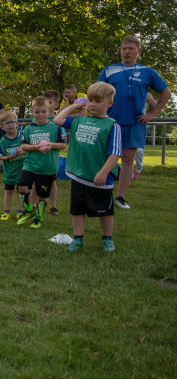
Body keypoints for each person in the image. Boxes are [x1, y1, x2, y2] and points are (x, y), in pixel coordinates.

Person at [98, 35, 171, 209]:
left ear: (138, 50)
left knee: (128, 159)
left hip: (134, 122)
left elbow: (166, 93)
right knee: (105, 157)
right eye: (124, 48)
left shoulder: (148, 72)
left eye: (131, 48)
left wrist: (152, 114)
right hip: (110, 122)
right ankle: (101, 191)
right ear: (120, 50)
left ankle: (120, 197)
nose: (127, 52)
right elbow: (97, 93)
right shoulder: (109, 70)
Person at [54, 81, 122, 252]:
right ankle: (78, 239)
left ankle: (107, 239)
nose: (92, 104)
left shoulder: (112, 125)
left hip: (100, 178)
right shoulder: (79, 121)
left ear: (109, 103)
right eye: (90, 100)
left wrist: (103, 172)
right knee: (77, 209)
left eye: (98, 101)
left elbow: (115, 153)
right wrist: (74, 105)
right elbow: (57, 119)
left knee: (105, 211)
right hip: (79, 175)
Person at [16, 96, 66, 229]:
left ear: (48, 112)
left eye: (43, 112)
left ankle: (38, 217)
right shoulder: (28, 129)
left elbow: (63, 145)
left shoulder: (55, 128)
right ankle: (27, 209)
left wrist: (50, 145)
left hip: (47, 167)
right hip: (30, 165)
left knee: (41, 195)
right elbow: (23, 146)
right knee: (21, 186)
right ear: (32, 112)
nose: (41, 115)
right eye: (37, 112)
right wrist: (35, 147)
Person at [0, 111, 25, 221]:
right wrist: (7, 158)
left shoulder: (22, 136)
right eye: (7, 123)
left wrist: (24, 152)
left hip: (22, 169)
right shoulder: (2, 142)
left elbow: (29, 148)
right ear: (2, 127)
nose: (10, 125)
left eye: (12, 122)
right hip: (9, 171)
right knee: (8, 191)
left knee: (20, 190)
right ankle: (6, 212)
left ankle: (20, 210)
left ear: (17, 123)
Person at [42, 89, 63, 216]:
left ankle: (53, 206)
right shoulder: (36, 120)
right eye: (45, 102)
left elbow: (62, 143)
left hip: (51, 159)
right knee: (36, 182)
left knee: (52, 182)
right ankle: (38, 204)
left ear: (56, 104)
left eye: (49, 102)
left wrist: (51, 145)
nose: (46, 105)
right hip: (37, 158)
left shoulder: (57, 122)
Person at [133, 93, 158, 179]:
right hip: (125, 122)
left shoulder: (146, 94)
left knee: (138, 149)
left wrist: (150, 116)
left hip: (139, 123)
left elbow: (156, 105)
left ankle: (139, 168)